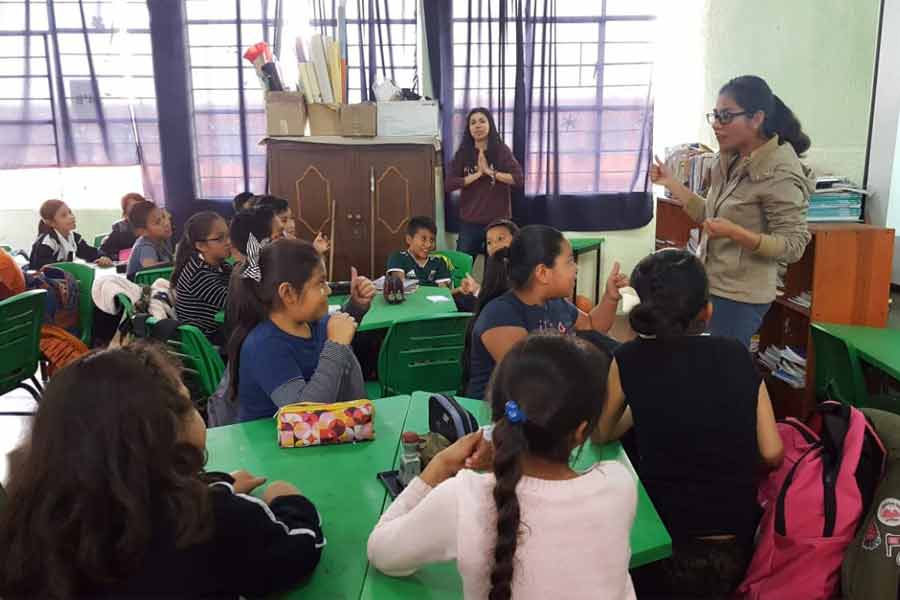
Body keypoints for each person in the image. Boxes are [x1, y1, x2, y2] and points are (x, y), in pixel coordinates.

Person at [0, 342, 325, 599]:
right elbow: (298, 553)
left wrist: (219, 485)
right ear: (166, 432)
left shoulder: (35, 527)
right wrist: (289, 502)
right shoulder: (211, 520)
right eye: (188, 402)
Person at [367, 334, 637, 600]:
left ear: (498, 413)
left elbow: (382, 552)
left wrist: (439, 465)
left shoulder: (464, 499)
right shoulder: (619, 484)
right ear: (580, 432)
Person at [592, 248, 784, 598]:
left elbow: (601, 433)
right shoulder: (736, 354)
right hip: (733, 542)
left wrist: (643, 399)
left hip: (662, 539)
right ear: (707, 310)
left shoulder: (629, 358)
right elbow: (772, 452)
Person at [650, 75, 813, 347]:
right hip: (712, 283)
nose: (716, 124)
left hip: (741, 296)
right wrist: (670, 183)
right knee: (702, 363)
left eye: (725, 117)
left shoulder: (780, 172)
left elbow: (794, 245)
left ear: (756, 118)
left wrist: (736, 233)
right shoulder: (729, 158)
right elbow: (709, 214)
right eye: (714, 115)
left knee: (720, 373)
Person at [465, 224, 628, 400]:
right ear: (542, 273)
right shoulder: (500, 315)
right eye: (570, 261)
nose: (576, 268)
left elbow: (592, 325)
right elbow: (534, 381)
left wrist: (610, 297)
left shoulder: (555, 303)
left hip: (546, 404)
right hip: (498, 417)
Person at [227, 237, 376, 422]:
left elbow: (331, 329)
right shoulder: (264, 345)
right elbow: (304, 417)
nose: (328, 291)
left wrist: (355, 307)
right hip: (272, 446)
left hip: (329, 435)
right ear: (288, 293)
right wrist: (336, 345)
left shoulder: (312, 322)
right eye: (320, 283)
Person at [445, 107, 524, 258]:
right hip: (470, 222)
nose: (478, 125)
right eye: (473, 123)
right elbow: (449, 184)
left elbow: (518, 179)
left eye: (482, 121)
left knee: (497, 270)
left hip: (498, 222)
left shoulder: (501, 150)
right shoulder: (463, 153)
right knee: (461, 270)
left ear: (490, 125)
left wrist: (491, 172)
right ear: (469, 129)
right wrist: (478, 175)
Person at [172, 211, 233, 342]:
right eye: (219, 238)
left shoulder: (222, 265)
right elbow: (235, 302)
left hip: (219, 330)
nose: (228, 242)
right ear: (200, 246)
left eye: (229, 235)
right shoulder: (199, 275)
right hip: (208, 341)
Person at [29, 199, 113, 270]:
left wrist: (102, 257)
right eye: (64, 215)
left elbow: (90, 253)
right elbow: (41, 269)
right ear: (51, 223)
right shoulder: (47, 242)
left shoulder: (74, 237)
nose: (71, 217)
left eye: (70, 212)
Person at [385, 216, 453, 287]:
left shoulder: (439, 262)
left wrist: (460, 289)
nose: (428, 245)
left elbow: (443, 291)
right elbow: (398, 286)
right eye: (423, 239)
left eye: (432, 240)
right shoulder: (398, 258)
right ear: (409, 239)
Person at [254, 195, 331, 254]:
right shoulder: (259, 250)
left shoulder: (290, 242)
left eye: (291, 218)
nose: (292, 225)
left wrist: (315, 250)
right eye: (283, 220)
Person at [125, 201, 174, 279]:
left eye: (163, 216)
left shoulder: (164, 239)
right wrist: (177, 263)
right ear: (142, 231)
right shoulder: (145, 245)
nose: (166, 223)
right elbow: (150, 268)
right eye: (157, 222)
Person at [99, 192, 146, 260]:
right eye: (132, 206)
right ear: (125, 212)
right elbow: (103, 252)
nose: (137, 210)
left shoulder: (151, 226)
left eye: (140, 206)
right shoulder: (120, 228)